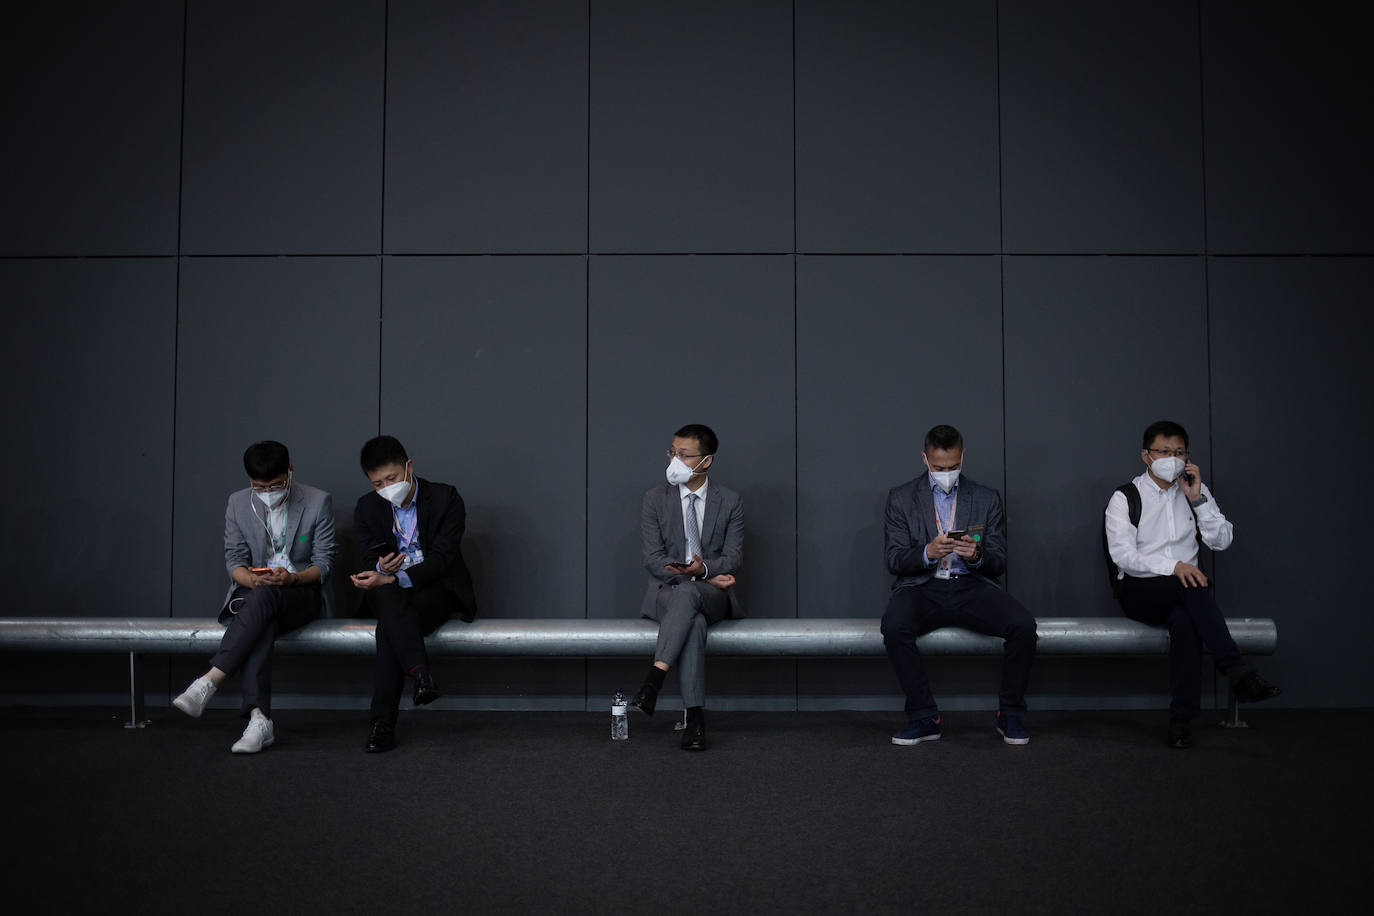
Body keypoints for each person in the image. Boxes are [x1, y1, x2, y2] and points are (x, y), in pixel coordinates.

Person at [1105, 420, 1280, 749]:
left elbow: (1222, 540)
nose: (1172, 458)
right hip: (1139, 591)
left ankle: (1181, 720)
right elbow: (1123, 557)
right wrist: (1174, 566)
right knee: (1191, 586)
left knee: (1185, 622)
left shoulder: (1195, 489)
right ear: (1146, 456)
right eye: (1163, 451)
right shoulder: (1125, 496)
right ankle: (1236, 670)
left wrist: (1198, 500)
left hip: (1188, 596)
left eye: (1179, 452)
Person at [172, 440, 336, 754]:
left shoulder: (318, 501)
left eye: (275, 485)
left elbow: (324, 564)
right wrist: (250, 578)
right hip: (257, 595)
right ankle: (258, 719)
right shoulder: (237, 503)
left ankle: (212, 679)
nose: (267, 493)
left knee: (262, 603)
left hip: (301, 593)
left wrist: (292, 578)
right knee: (262, 610)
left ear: (290, 471)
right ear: (250, 481)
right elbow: (234, 560)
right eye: (259, 488)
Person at [880, 424, 1038, 746]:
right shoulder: (900, 499)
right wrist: (927, 552)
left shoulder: (986, 498)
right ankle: (924, 717)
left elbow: (999, 561)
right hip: (922, 587)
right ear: (925, 459)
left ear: (963, 457)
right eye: (939, 468)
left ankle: (1009, 713)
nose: (947, 473)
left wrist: (977, 554)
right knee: (894, 626)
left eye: (953, 467)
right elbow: (895, 560)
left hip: (971, 585)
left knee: (1023, 626)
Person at [350, 435, 476, 753]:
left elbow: (443, 559)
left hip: (435, 590)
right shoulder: (367, 507)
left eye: (391, 478)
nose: (386, 488)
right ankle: (420, 675)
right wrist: (378, 565)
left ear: (409, 466)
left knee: (389, 625)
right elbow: (366, 555)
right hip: (389, 592)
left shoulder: (446, 497)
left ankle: (382, 724)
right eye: (378, 483)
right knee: (390, 602)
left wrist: (398, 578)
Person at [628, 424, 743, 751]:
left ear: (705, 461)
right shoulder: (654, 499)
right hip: (668, 594)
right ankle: (695, 718)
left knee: (692, 595)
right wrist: (701, 576)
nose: (674, 461)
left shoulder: (731, 501)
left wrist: (703, 572)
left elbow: (733, 557)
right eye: (672, 453)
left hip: (715, 596)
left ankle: (654, 680)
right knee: (690, 615)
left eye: (684, 455)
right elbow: (653, 559)